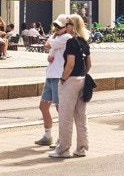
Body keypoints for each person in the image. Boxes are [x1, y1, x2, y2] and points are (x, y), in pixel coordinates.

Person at [51, 13, 91, 159]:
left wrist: (63, 78)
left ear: (73, 26)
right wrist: (82, 74)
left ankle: (63, 149)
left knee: (65, 116)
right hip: (83, 79)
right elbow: (89, 64)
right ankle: (81, 148)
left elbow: (70, 64)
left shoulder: (71, 42)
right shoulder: (84, 42)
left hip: (71, 81)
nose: (65, 25)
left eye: (67, 23)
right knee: (81, 117)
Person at [35, 18, 70, 148]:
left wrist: (53, 35)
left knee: (60, 109)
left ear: (66, 27)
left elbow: (48, 44)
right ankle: (48, 136)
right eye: (55, 26)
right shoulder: (58, 38)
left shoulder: (65, 37)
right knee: (43, 107)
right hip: (50, 75)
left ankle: (62, 138)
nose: (56, 29)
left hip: (58, 77)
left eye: (59, 27)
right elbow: (50, 53)